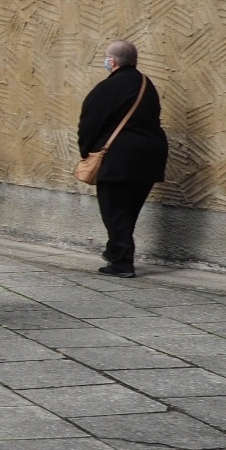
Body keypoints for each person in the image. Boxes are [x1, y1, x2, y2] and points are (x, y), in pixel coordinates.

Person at [78, 39, 168, 278]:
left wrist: (86, 152)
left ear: (112, 61)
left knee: (114, 210)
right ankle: (114, 250)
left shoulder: (107, 88)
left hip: (119, 158)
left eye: (106, 58)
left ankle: (121, 262)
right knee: (128, 210)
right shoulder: (146, 85)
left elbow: (89, 123)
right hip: (151, 156)